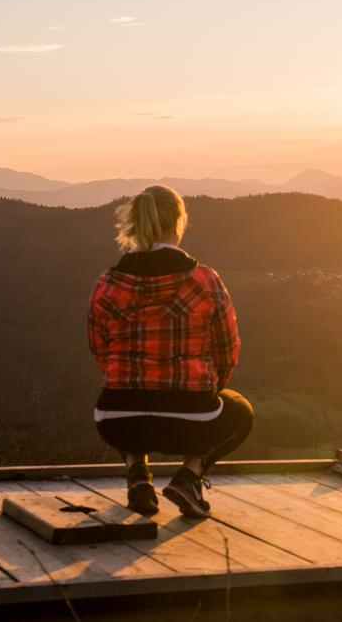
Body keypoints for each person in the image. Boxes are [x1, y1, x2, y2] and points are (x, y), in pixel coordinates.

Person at [87, 185, 253, 518]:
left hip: (116, 420)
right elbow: (227, 348)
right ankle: (189, 477)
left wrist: (132, 380)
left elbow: (99, 348)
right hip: (190, 420)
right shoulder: (204, 280)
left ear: (135, 223)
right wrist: (208, 388)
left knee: (131, 396)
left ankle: (138, 476)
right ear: (178, 223)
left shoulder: (107, 282)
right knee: (242, 413)